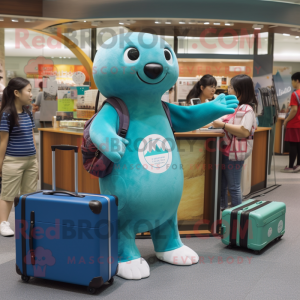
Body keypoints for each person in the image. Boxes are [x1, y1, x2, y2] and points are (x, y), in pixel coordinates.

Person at [212, 74, 258, 210]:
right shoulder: (235, 107)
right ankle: (224, 217)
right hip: (225, 151)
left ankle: (238, 219)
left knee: (234, 187)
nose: (229, 90)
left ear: (240, 90)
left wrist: (223, 126)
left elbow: (244, 131)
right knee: (222, 187)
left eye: (232, 87)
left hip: (234, 154)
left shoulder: (247, 109)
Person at [0, 77, 38, 237]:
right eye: (28, 91)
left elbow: (32, 136)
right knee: (8, 194)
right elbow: (3, 141)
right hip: (12, 161)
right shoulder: (7, 114)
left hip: (30, 160)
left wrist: (36, 160)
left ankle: (26, 222)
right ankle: (3, 223)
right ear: (16, 93)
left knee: (29, 194)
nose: (31, 94)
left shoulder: (28, 112)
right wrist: (0, 164)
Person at [281, 72, 300, 173]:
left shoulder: (295, 94)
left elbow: (294, 110)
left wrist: (286, 120)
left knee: (293, 144)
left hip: (295, 123)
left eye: (292, 81)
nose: (292, 83)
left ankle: (291, 166)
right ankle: (298, 165)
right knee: (299, 144)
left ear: (296, 80)